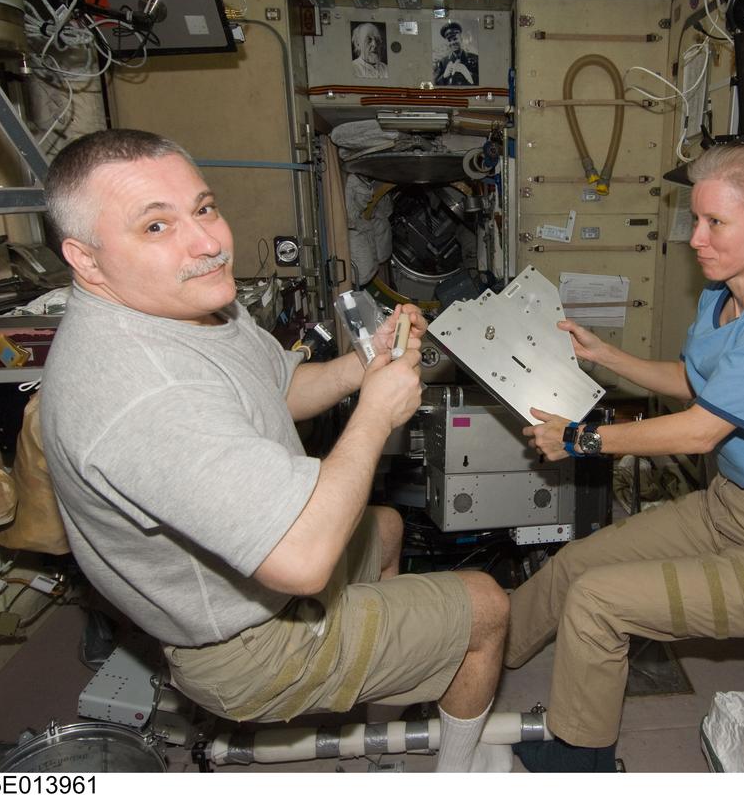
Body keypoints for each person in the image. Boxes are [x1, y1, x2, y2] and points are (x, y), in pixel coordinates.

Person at [39, 129, 511, 773]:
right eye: (155, 227)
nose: (208, 243)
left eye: (203, 208)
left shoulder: (196, 307)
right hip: (245, 643)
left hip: (260, 580)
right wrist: (374, 416)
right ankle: (455, 779)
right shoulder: (142, 387)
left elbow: (280, 389)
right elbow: (303, 561)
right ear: (86, 259)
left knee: (388, 527)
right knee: (487, 606)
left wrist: (362, 365)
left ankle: (380, 731)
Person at [507, 142, 744, 772]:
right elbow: (698, 381)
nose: (696, 239)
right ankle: (488, 651)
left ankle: (582, 763)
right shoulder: (724, 294)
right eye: (695, 221)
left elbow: (702, 431)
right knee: (575, 566)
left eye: (715, 224)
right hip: (727, 506)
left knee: (598, 602)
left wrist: (580, 439)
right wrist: (605, 355)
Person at [434, 21, 479, 86]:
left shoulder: (475, 58)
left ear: (461, 38)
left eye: (455, 39)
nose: (452, 43)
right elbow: (435, 85)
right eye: (449, 40)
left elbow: (485, 82)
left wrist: (469, 74)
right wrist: (444, 76)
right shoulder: (443, 62)